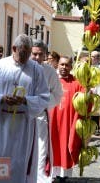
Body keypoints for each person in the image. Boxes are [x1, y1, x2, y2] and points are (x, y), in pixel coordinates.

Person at [0, 34, 51, 182]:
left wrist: (26, 101)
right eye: (23, 53)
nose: (26, 57)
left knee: (19, 163)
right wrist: (2, 98)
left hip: (23, 124)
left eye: (28, 53)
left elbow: (44, 97)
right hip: (2, 121)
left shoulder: (36, 70)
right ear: (14, 49)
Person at [31, 40, 63, 183]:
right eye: (34, 54)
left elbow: (57, 94)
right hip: (22, 115)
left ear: (45, 55)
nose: (37, 57)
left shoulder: (50, 71)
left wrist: (41, 101)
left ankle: (39, 177)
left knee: (41, 147)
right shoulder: (23, 68)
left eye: (40, 54)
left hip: (40, 115)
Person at [48, 56, 82, 178]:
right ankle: (50, 176)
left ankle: (65, 177)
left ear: (71, 67)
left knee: (65, 148)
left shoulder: (77, 83)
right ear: (57, 65)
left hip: (67, 124)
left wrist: (88, 95)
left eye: (67, 65)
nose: (64, 67)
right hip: (51, 122)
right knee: (51, 149)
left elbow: (84, 103)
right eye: (62, 64)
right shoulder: (50, 80)